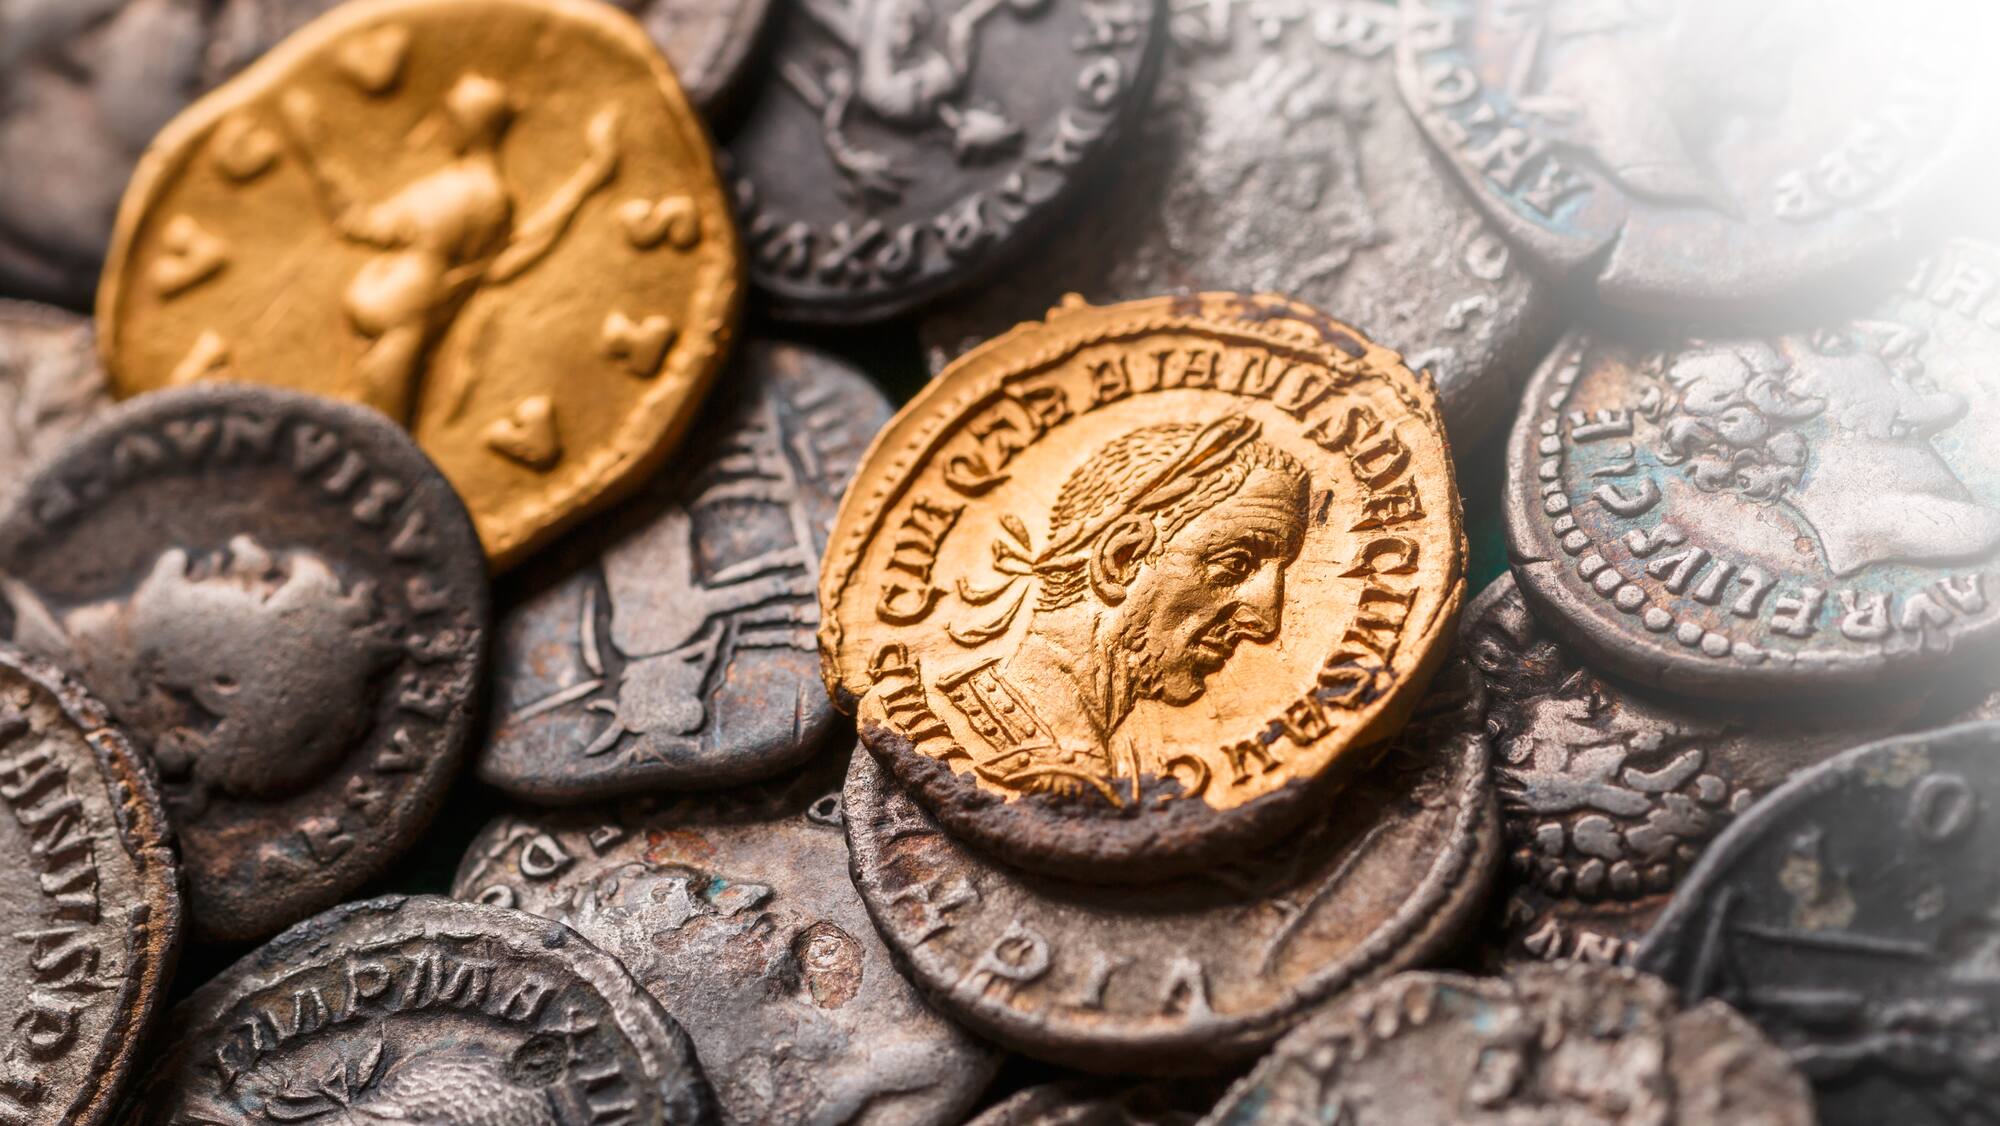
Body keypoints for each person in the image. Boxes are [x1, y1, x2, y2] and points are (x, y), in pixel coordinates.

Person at [939, 413, 1309, 800]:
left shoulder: (1120, 758)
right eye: (1236, 565)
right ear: (1121, 558)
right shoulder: (996, 744)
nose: (1266, 619)